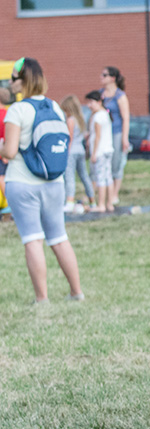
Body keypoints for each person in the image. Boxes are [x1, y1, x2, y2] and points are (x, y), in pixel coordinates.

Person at [0, 58, 83, 303]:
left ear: (22, 82)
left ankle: (42, 298)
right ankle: (76, 292)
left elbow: (11, 152)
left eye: (13, 79)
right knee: (59, 238)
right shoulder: (55, 107)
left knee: (32, 238)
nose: (10, 83)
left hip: (23, 184)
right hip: (54, 184)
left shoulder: (18, 110)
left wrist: (2, 146)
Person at [99, 66, 129, 206]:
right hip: (103, 134)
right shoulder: (101, 94)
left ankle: (114, 194)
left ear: (113, 78)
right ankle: (104, 194)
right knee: (103, 163)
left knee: (116, 163)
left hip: (116, 133)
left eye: (104, 75)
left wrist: (124, 138)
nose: (101, 77)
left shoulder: (120, 96)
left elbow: (126, 118)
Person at [60, 95, 95, 212]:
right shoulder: (81, 119)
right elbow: (85, 135)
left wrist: (65, 153)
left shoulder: (70, 120)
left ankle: (69, 201)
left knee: (69, 177)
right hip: (80, 149)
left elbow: (69, 138)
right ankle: (92, 201)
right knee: (84, 176)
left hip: (72, 151)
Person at [85, 90, 115, 213]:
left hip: (100, 151)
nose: (89, 105)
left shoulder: (97, 116)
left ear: (99, 102)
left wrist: (93, 153)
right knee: (108, 177)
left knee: (101, 178)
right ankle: (110, 204)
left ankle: (101, 204)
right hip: (108, 150)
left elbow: (97, 136)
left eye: (91, 102)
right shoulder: (105, 114)